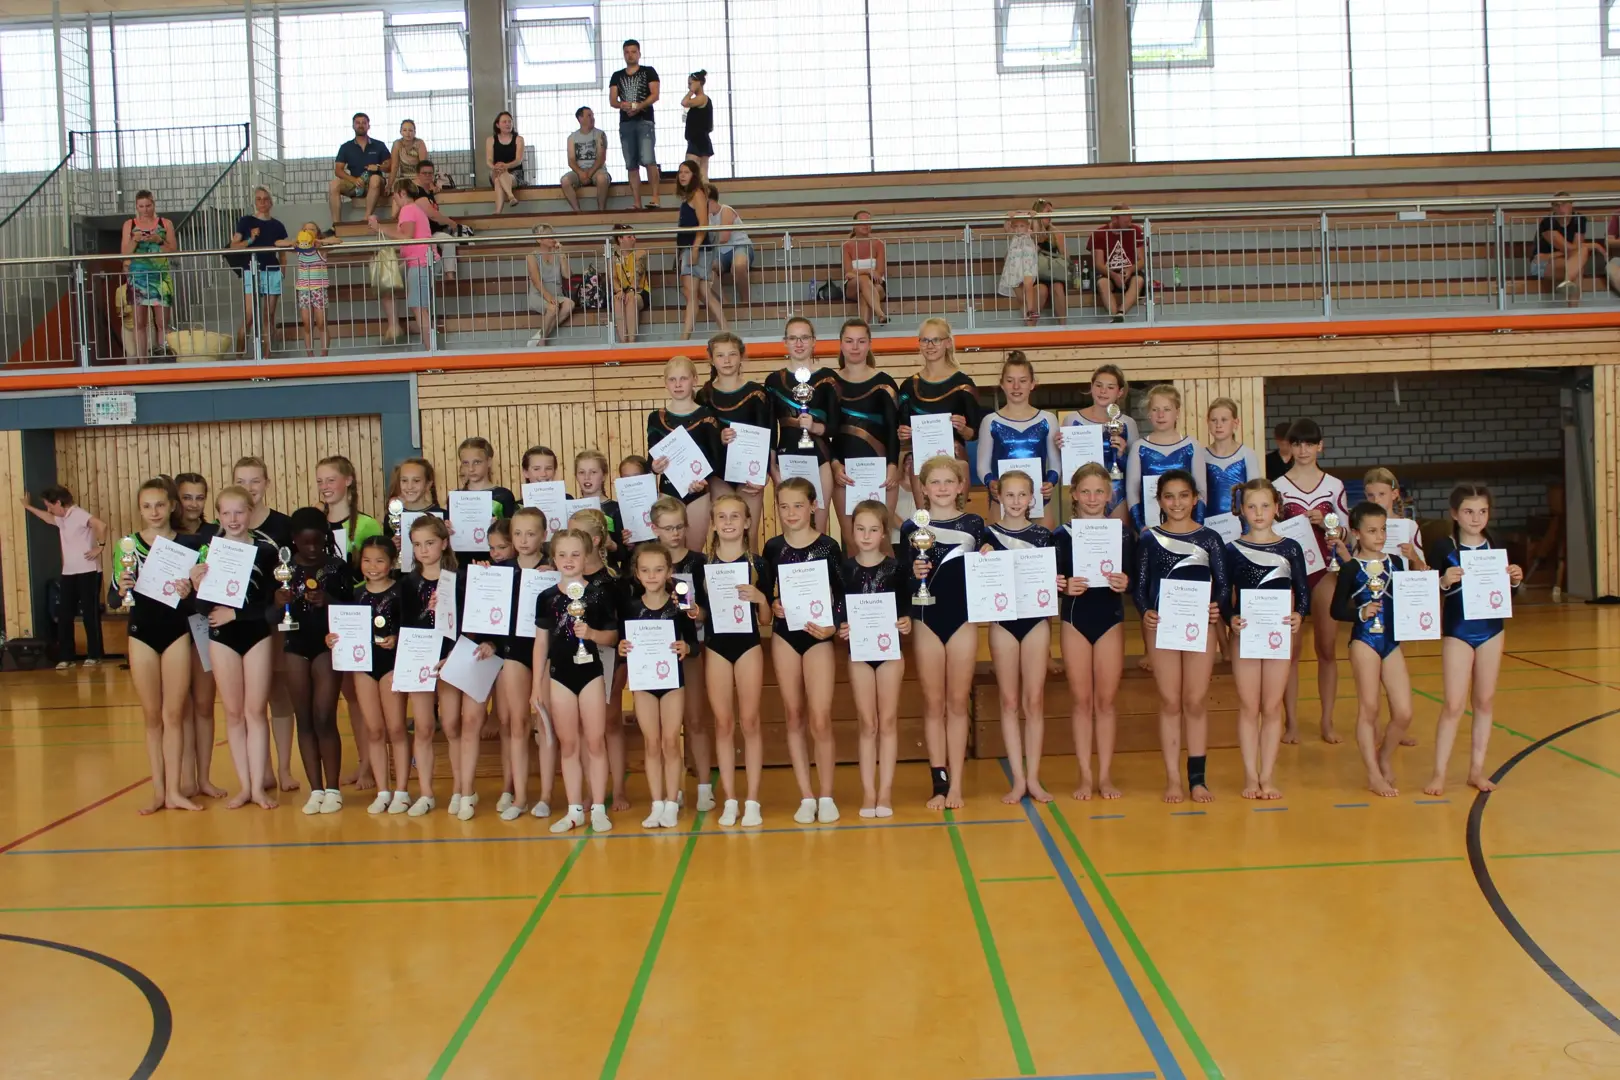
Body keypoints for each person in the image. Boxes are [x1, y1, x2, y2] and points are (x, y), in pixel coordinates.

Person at [1134, 469, 1229, 804]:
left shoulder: (1210, 539)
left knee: (1195, 701)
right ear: (1160, 501)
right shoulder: (1149, 539)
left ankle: (1197, 780)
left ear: (1195, 498)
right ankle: (1173, 779)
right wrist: (1146, 610)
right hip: (1163, 626)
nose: (1177, 503)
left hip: (1200, 626)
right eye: (1169, 497)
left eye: (1184, 496)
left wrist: (1217, 606)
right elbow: (1140, 586)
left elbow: (1223, 584)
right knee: (1171, 702)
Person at [1425, 483, 1524, 796]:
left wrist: (1515, 581)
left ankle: (1476, 770)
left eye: (1482, 511)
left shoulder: (1496, 544)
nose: (1476, 518)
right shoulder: (1443, 547)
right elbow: (1424, 591)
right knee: (1454, 703)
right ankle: (1439, 773)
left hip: (1492, 629)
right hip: (1458, 630)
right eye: (1469, 511)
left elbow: (1504, 594)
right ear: (1455, 514)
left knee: (1484, 700)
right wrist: (1442, 581)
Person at [188, 485, 281, 810]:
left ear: (250, 512)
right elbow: (202, 608)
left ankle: (258, 787)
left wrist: (237, 614)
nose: (233, 519)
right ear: (218, 516)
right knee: (233, 712)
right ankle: (244, 786)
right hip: (221, 637)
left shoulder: (265, 551)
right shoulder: (208, 551)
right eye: (226, 513)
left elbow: (272, 606)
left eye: (239, 512)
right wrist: (197, 584)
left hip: (256, 634)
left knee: (255, 711)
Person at [902, 456, 985, 811]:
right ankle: (940, 782)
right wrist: (913, 572)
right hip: (926, 619)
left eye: (948, 481)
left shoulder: (974, 524)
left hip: (963, 618)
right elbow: (904, 581)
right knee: (934, 703)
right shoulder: (911, 527)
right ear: (923, 488)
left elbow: (986, 570)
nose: (942, 488)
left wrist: (988, 555)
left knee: (957, 702)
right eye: (934, 482)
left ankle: (958, 784)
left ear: (961, 485)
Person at [115, 478, 202, 814]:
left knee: (174, 714)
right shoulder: (127, 546)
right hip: (142, 634)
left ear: (172, 506)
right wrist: (122, 588)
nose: (154, 512)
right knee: (152, 717)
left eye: (160, 505)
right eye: (147, 506)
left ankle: (176, 791)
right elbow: (114, 599)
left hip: (176, 633)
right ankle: (158, 790)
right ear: (139, 509)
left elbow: (198, 601)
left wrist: (189, 592)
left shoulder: (189, 545)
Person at [764, 476, 845, 824]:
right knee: (794, 714)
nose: (791, 512)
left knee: (820, 716)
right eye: (784, 506)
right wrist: (773, 604)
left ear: (813, 506)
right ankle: (806, 795)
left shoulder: (828, 546)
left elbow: (841, 594)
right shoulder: (772, 547)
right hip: (785, 635)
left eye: (798, 505)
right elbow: (767, 595)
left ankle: (826, 794)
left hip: (818, 636)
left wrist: (833, 625)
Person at [1223, 479, 1308, 800]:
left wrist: (1299, 614)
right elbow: (1224, 593)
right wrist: (1231, 618)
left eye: (1265, 506)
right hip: (1245, 634)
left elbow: (1303, 592)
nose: (1258, 513)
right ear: (1241, 510)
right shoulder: (1232, 549)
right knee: (1249, 706)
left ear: (1276, 508)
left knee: (1271, 707)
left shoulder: (1290, 548)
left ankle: (1267, 776)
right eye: (1251, 506)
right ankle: (1250, 775)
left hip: (1277, 635)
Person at [531, 527, 620, 834]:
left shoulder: (598, 594)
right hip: (559, 676)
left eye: (575, 554)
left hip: (591, 674)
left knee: (594, 741)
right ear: (553, 558)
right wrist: (535, 686)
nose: (568, 559)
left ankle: (598, 807)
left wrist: (591, 634)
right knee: (568, 744)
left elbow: (612, 637)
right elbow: (541, 643)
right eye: (562, 554)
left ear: (586, 557)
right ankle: (574, 810)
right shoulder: (546, 598)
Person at [1053, 463, 1132, 799]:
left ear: (1109, 495)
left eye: (1099, 491)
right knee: (1082, 701)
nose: (1092, 498)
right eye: (1085, 491)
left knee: (1106, 702)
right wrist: (1063, 586)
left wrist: (1125, 582)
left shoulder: (1123, 534)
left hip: (1109, 619)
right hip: (1075, 620)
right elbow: (1051, 581)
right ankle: (1085, 776)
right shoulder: (1061, 535)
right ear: (1073, 494)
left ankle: (1106, 776)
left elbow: (1134, 579)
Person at [1330, 501, 1415, 797]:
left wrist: (1418, 563)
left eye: (1383, 530)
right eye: (1371, 531)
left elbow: (1411, 597)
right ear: (1356, 533)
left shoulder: (1397, 562)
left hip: (1391, 641)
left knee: (1404, 712)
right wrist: (1360, 612)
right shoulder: (1351, 568)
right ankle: (1373, 774)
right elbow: (1336, 610)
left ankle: (1384, 756)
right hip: (1364, 640)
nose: (1379, 536)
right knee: (1370, 708)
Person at [1274, 418, 1351, 745]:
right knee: (1290, 651)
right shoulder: (1278, 486)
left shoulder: (1334, 485)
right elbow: (1269, 532)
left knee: (1327, 648)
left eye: (1309, 443)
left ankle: (1326, 721)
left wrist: (1328, 525)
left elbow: (1348, 533)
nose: (1303, 450)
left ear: (1320, 445)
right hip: (1290, 574)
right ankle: (1291, 722)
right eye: (1297, 444)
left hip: (1325, 572)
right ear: (1288, 447)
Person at [982, 470, 1056, 803]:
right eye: (1009, 495)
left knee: (1034, 700)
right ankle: (1018, 778)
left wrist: (1056, 582)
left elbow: (1052, 582)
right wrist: (982, 559)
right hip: (1003, 623)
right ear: (999, 496)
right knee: (1010, 701)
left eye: (1021, 495)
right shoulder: (987, 535)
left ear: (1031, 498)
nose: (1015, 501)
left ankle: (1035, 777)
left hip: (1035, 621)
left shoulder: (1043, 535)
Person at [699, 493, 770, 825]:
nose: (728, 522)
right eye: (722, 517)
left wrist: (760, 599)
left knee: (751, 721)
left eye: (735, 516)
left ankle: (752, 800)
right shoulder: (703, 567)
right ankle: (730, 799)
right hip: (716, 647)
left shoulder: (758, 565)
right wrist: (693, 611)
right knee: (723, 723)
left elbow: (766, 620)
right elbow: (701, 615)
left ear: (747, 522)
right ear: (713, 524)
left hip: (748, 646)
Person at [277, 508, 352, 815]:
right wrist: (277, 603)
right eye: (305, 542)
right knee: (304, 719)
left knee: (324, 716)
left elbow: (353, 608)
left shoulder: (336, 566)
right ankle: (316, 789)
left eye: (317, 542)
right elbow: (270, 615)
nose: (311, 548)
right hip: (294, 646)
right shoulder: (284, 568)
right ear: (294, 540)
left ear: (326, 538)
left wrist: (328, 601)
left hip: (326, 646)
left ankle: (333, 788)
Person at [620, 541, 700, 828]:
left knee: (670, 741)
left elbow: (694, 643)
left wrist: (686, 648)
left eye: (658, 570)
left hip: (672, 682)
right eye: (645, 570)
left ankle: (671, 801)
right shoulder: (630, 606)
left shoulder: (680, 603)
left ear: (669, 572)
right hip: (643, 682)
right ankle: (656, 804)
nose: (651, 576)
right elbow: (622, 642)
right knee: (651, 743)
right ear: (637, 574)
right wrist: (622, 647)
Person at [840, 499, 910, 817]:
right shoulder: (844, 570)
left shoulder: (897, 569)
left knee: (888, 721)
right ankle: (868, 792)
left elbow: (906, 608)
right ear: (852, 531)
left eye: (873, 530)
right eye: (860, 529)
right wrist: (841, 626)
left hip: (890, 652)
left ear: (883, 533)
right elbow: (839, 609)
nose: (866, 536)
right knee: (867, 723)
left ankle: (885, 792)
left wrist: (906, 622)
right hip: (859, 653)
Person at [347, 535, 411, 815]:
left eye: (379, 561)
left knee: (396, 728)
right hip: (364, 666)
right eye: (367, 561)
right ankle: (383, 791)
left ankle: (402, 791)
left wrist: (397, 638)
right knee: (373, 730)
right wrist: (334, 639)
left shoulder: (402, 591)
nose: (372, 567)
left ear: (392, 563)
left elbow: (412, 626)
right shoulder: (355, 593)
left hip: (392, 664)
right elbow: (346, 628)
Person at [897, 318, 983, 503]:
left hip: (955, 462)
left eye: (936, 340)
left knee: (954, 518)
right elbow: (903, 434)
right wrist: (903, 434)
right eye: (925, 340)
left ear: (948, 343)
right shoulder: (908, 386)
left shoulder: (963, 385)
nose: (930, 345)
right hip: (921, 466)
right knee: (925, 519)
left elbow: (974, 433)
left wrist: (963, 428)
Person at [766, 317, 840, 532]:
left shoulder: (828, 378)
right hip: (786, 459)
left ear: (814, 341)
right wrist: (772, 466)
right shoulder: (773, 381)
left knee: (819, 529)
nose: (799, 343)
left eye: (804, 337)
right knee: (791, 528)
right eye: (793, 338)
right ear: (785, 342)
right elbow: (770, 428)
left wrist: (816, 428)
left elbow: (836, 425)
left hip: (820, 458)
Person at [23, 485, 108, 669]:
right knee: (64, 615)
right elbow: (48, 518)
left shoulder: (78, 514)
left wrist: (99, 547)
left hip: (89, 572)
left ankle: (95, 655)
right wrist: (28, 507)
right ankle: (66, 657)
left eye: (50, 506)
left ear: (59, 503)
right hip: (69, 572)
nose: (49, 510)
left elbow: (101, 525)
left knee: (90, 615)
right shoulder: (62, 518)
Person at [830, 318, 900, 541]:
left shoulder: (884, 383)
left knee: (881, 542)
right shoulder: (829, 384)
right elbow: (826, 432)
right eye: (849, 341)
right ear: (841, 344)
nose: (855, 347)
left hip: (880, 473)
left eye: (861, 341)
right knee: (852, 540)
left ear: (869, 344)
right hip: (844, 474)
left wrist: (893, 465)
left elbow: (893, 429)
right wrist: (834, 464)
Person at [702, 331, 771, 550]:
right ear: (711, 359)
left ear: (741, 356)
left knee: (749, 536)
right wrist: (718, 438)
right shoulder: (704, 395)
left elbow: (768, 434)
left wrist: (765, 472)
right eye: (720, 355)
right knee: (723, 536)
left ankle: (753, 573)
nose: (727, 360)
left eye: (732, 354)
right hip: (718, 474)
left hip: (750, 475)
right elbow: (700, 438)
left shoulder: (757, 393)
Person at [978, 352, 1059, 527]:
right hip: (1001, 500)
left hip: (1038, 499)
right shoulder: (990, 421)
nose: (1016, 386)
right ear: (1002, 384)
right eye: (1010, 380)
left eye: (1022, 381)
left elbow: (1055, 462)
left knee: (1043, 544)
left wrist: (1051, 482)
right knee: (999, 544)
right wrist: (990, 482)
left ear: (1032, 383)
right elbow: (982, 465)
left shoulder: (1047, 419)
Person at [647, 354, 721, 543]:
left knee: (694, 552)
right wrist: (654, 467)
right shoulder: (656, 418)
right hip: (668, 491)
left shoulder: (706, 415)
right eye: (672, 379)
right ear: (665, 383)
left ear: (694, 380)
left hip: (698, 492)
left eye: (683, 379)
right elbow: (650, 460)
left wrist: (703, 479)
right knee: (669, 552)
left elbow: (716, 458)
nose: (678, 384)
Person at [1058, 364, 1138, 518]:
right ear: (1091, 387)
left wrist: (1121, 455)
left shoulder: (1128, 423)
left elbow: (1135, 470)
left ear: (1120, 392)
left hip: (1117, 493)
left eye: (1110, 387)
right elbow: (1064, 465)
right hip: (1085, 495)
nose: (1103, 391)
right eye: (1099, 385)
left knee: (1119, 534)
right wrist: (1060, 447)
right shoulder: (1072, 420)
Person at [368, 179, 434, 348]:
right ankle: (395, 327)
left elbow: (407, 236)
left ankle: (430, 349)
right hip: (414, 261)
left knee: (419, 308)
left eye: (395, 195)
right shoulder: (413, 209)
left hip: (419, 261)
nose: (394, 199)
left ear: (402, 193)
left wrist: (380, 228)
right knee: (388, 286)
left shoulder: (408, 209)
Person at [229, 186, 288, 356]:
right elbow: (233, 246)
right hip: (252, 270)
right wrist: (250, 239)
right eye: (259, 199)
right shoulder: (246, 221)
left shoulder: (278, 225)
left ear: (271, 202)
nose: (262, 202)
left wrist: (282, 271)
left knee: (269, 315)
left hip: (272, 270)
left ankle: (266, 357)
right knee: (249, 316)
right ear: (255, 202)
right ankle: (239, 356)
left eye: (265, 199)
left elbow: (283, 253)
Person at [119, 190, 176, 362]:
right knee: (139, 323)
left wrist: (159, 240)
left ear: (154, 204)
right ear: (137, 207)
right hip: (138, 278)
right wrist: (135, 240)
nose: (145, 210)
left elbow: (173, 251)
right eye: (141, 206)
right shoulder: (129, 224)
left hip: (160, 277)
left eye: (148, 206)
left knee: (162, 323)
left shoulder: (165, 223)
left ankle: (164, 359)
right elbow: (124, 253)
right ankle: (143, 363)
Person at [675, 162, 726, 338]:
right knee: (704, 293)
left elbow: (703, 223)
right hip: (693, 247)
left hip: (696, 248)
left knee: (692, 295)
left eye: (686, 172)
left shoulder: (697, 194)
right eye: (680, 172)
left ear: (694, 175)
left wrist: (695, 248)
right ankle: (726, 330)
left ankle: (685, 337)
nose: (682, 175)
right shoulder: (691, 195)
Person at [609, 40, 661, 210]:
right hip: (626, 122)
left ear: (639, 53)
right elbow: (613, 100)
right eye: (627, 52)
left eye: (633, 52)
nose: (630, 55)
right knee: (631, 163)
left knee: (648, 158)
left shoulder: (648, 71)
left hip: (644, 120)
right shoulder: (617, 75)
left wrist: (639, 106)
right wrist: (622, 105)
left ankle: (655, 197)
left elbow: (655, 94)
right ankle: (637, 202)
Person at [275, 223, 340, 357]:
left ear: (317, 232)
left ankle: (324, 355)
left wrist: (320, 242)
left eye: (311, 229)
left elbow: (337, 240)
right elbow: (277, 243)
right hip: (303, 289)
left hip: (319, 289)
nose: (308, 231)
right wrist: (292, 243)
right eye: (305, 229)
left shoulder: (321, 249)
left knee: (321, 323)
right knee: (307, 324)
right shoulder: (299, 248)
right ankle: (310, 355)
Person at [1202, 398, 1262, 523]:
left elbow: (1256, 495)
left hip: (1241, 524)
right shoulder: (1201, 456)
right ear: (1208, 423)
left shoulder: (1247, 455)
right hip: (1209, 523)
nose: (1218, 425)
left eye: (1224, 420)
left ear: (1235, 423)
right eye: (1214, 420)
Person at [315, 454, 382, 559]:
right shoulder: (316, 524)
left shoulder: (367, 524)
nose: (324, 487)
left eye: (331, 480)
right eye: (320, 481)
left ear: (348, 481)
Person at [328, 112, 389, 226]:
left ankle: (366, 218)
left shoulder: (379, 145)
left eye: (364, 123)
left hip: (375, 184)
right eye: (357, 123)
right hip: (356, 183)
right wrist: (354, 180)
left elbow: (389, 166)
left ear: (368, 126)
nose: (361, 125)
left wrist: (378, 167)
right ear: (353, 126)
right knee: (334, 184)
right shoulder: (346, 147)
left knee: (375, 179)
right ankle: (336, 225)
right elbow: (338, 170)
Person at [1532, 193, 1596, 300]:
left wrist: (1579, 249)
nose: (1561, 208)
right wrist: (1594, 246)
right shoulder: (1547, 222)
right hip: (1542, 264)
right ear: (1553, 208)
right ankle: (1573, 307)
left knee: (1578, 264)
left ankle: (1567, 281)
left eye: (1565, 204)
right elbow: (1570, 249)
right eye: (1557, 205)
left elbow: (1575, 249)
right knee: (1579, 263)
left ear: (1571, 205)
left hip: (1566, 260)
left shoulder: (1579, 219)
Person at [1091, 205, 1145, 321]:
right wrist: (1114, 276)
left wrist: (1130, 270)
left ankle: (1120, 314)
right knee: (1102, 283)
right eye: (1126, 221)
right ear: (1114, 218)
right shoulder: (1099, 233)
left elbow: (1142, 261)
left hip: (1130, 271)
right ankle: (1116, 317)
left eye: (1130, 219)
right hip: (1108, 273)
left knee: (1139, 280)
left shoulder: (1136, 230)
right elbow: (1099, 264)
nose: (1129, 223)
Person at [525, 224, 576, 345]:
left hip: (557, 295)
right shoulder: (532, 256)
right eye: (548, 235)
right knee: (553, 308)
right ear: (539, 239)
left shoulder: (558, 254)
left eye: (553, 234)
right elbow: (536, 281)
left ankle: (541, 335)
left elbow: (567, 275)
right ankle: (542, 341)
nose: (552, 237)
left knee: (570, 304)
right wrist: (549, 297)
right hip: (539, 294)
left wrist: (562, 255)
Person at [414, 160, 465, 281]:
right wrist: (450, 222)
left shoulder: (429, 192)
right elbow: (432, 214)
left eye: (430, 173)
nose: (427, 176)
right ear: (418, 174)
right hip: (422, 234)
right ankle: (446, 277)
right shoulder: (416, 192)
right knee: (445, 242)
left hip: (433, 231)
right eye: (424, 173)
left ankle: (450, 276)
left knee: (449, 241)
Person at [705, 184, 752, 305]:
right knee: (706, 270)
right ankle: (725, 303)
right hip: (721, 252)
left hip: (740, 246)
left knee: (739, 266)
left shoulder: (725, 210)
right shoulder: (707, 217)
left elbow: (724, 237)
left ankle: (746, 302)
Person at [561, 106, 612, 213]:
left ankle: (601, 210)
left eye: (592, 115)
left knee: (602, 179)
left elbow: (601, 158)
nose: (592, 118)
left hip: (597, 170)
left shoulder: (600, 135)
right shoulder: (572, 138)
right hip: (579, 172)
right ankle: (577, 211)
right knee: (565, 181)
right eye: (589, 115)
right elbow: (571, 160)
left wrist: (589, 173)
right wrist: (580, 173)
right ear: (580, 119)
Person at [842, 210, 888, 325]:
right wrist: (868, 271)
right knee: (863, 280)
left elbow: (880, 272)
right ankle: (880, 313)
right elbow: (848, 273)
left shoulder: (878, 244)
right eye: (862, 222)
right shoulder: (847, 246)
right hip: (853, 285)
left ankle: (864, 327)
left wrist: (857, 272)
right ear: (854, 225)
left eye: (868, 222)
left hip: (876, 284)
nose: (866, 225)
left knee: (864, 295)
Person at [998, 210, 1042, 325]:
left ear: (1027, 226)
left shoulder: (1029, 234)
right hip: (1015, 265)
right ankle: (1027, 320)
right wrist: (1008, 217)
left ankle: (1031, 311)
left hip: (1027, 263)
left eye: (1022, 226)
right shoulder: (1013, 236)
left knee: (1028, 283)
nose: (1019, 229)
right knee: (1021, 297)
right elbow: (1006, 229)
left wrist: (1034, 217)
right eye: (1016, 226)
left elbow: (1037, 232)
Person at [610, 224, 651, 343]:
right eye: (629, 236)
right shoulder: (613, 257)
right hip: (622, 291)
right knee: (617, 300)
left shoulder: (640, 253)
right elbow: (613, 277)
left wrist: (632, 290)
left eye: (634, 236)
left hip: (640, 292)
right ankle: (623, 341)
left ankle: (632, 342)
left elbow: (638, 274)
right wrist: (618, 291)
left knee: (631, 299)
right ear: (620, 239)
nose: (634, 239)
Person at [1032, 198, 1069, 320]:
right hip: (1036, 273)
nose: (1050, 216)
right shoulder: (1029, 232)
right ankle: (1031, 326)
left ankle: (1063, 327)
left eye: (1051, 213)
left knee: (1057, 288)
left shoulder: (1056, 233)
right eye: (1047, 212)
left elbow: (1066, 257)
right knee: (1041, 290)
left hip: (1053, 273)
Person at [486, 111, 525, 215]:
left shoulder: (519, 139)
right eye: (504, 122)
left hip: (515, 174)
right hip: (496, 171)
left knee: (498, 180)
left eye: (510, 122)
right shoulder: (490, 140)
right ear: (497, 125)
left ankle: (498, 212)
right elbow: (489, 160)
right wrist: (494, 167)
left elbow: (518, 160)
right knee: (499, 173)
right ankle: (511, 196)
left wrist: (506, 166)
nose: (508, 124)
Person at [682, 70, 714, 177]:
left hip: (697, 140)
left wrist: (691, 91)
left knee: (690, 173)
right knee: (702, 175)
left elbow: (684, 102)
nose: (689, 86)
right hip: (702, 139)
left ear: (699, 83)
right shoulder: (701, 99)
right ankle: (705, 188)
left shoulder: (701, 98)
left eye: (690, 83)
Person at [388, 118, 428, 184]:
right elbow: (394, 166)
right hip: (404, 179)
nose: (407, 133)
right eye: (404, 130)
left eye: (410, 130)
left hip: (418, 178)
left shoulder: (419, 143)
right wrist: (389, 185)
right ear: (400, 132)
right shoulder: (397, 144)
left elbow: (424, 165)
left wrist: (429, 183)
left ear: (414, 132)